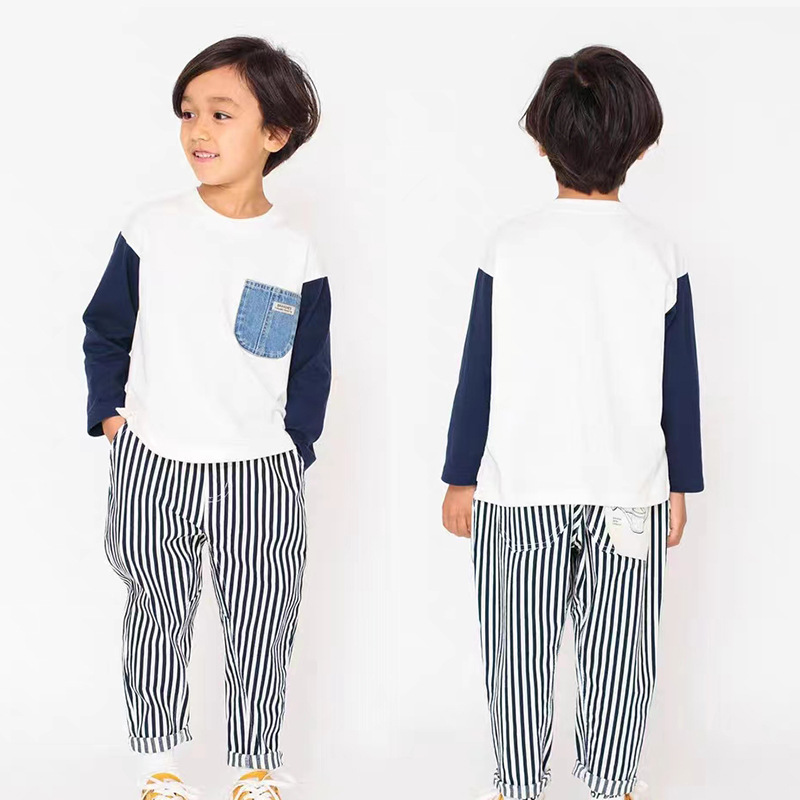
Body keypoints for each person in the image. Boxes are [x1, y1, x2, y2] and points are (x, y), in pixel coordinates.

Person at [441, 45, 703, 800]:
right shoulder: (657, 250)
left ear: (539, 139)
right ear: (642, 146)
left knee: (515, 654)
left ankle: (518, 783)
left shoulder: (511, 244)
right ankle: (613, 783)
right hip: (630, 491)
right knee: (623, 657)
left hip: (519, 491)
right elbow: (679, 384)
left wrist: (460, 474)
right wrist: (680, 484)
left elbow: (478, 369)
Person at [82, 35, 332, 800]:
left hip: (259, 472)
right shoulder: (151, 228)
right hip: (154, 461)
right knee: (156, 615)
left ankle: (255, 764)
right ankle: (157, 763)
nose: (198, 130)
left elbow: (311, 366)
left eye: (222, 114)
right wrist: (111, 419)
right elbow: (106, 328)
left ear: (274, 134)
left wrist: (294, 449)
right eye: (188, 112)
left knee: (262, 622)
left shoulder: (295, 252)